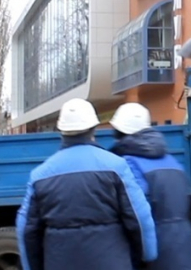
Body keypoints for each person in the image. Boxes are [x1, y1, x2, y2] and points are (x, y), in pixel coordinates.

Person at [16, 98, 158, 270]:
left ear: (61, 131)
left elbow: (27, 230)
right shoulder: (116, 167)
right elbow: (139, 219)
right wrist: (146, 257)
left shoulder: (40, 176)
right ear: (93, 129)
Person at [109, 102, 191, 270]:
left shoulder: (128, 163)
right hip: (182, 245)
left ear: (121, 132)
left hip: (154, 250)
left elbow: (134, 213)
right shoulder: (171, 161)